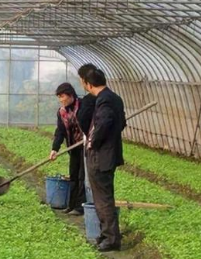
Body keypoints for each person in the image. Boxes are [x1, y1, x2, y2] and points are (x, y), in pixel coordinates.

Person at [83, 68, 126, 252]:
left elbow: (105, 122)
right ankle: (107, 233)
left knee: (103, 199)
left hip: (101, 156)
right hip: (108, 153)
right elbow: (121, 123)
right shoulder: (115, 98)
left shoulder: (104, 99)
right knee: (103, 197)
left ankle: (111, 239)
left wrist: (93, 142)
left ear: (88, 84)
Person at [49, 82, 94, 215]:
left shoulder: (83, 105)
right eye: (59, 97)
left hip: (85, 146)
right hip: (73, 147)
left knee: (82, 176)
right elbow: (60, 131)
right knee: (73, 175)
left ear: (70, 95)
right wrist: (54, 149)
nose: (60, 100)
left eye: (62, 96)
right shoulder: (61, 112)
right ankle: (71, 205)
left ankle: (80, 207)